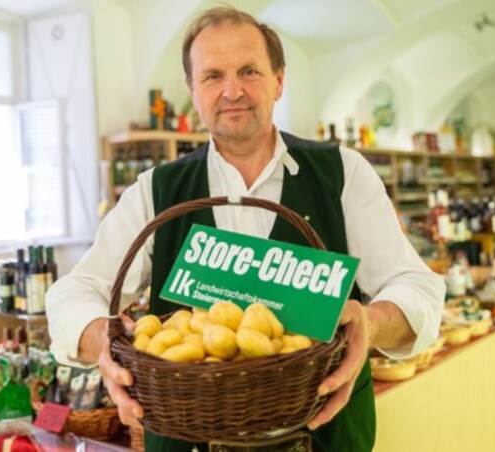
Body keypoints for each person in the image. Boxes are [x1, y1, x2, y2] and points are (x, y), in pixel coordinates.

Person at [47, 6, 444, 451]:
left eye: (249, 71)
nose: (232, 90)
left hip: (325, 436)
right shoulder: (156, 190)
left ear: (279, 80)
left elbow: (417, 287)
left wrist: (371, 323)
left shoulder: (342, 173)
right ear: (193, 91)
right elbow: (75, 291)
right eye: (213, 75)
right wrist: (104, 340)